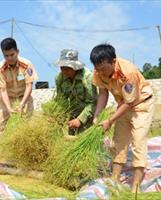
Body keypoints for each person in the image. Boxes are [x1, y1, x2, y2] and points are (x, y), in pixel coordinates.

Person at [90, 43, 154, 192]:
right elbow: (103, 93)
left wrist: (110, 120)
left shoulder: (128, 72)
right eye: (98, 69)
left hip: (141, 105)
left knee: (138, 141)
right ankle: (115, 179)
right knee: (119, 141)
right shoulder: (98, 72)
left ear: (113, 62)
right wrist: (97, 116)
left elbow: (130, 102)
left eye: (104, 69)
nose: (101, 73)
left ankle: (135, 188)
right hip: (123, 104)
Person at [0, 37, 38, 150]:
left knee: (26, 126)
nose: (10, 58)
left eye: (12, 55)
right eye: (6, 56)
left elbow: (29, 86)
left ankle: (27, 152)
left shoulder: (26, 65)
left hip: (24, 97)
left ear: (17, 51)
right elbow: (2, 90)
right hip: (8, 98)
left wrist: (22, 103)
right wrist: (8, 107)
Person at [54, 49, 97, 136]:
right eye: (62, 68)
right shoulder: (60, 78)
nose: (64, 71)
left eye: (68, 68)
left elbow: (93, 103)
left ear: (75, 66)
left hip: (88, 115)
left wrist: (80, 120)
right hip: (72, 115)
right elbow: (61, 100)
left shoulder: (87, 78)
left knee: (84, 140)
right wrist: (56, 114)